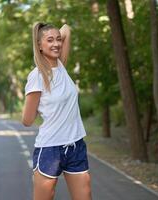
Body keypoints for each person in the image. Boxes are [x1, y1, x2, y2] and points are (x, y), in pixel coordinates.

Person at [22, 22, 92, 200]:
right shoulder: (37, 76)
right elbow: (27, 120)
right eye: (49, 40)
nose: (56, 44)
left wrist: (47, 33)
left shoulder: (61, 65)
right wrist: (44, 107)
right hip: (50, 148)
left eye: (58, 40)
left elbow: (67, 28)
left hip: (75, 145)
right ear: (39, 45)